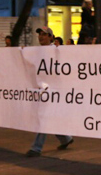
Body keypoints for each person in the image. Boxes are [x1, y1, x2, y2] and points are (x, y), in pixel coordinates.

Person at [25, 26, 74, 157]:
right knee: (48, 116)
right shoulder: (37, 52)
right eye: (39, 34)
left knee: (44, 117)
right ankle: (65, 138)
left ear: (51, 37)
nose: (41, 37)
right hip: (42, 89)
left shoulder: (56, 50)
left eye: (44, 34)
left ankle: (36, 148)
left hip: (54, 90)